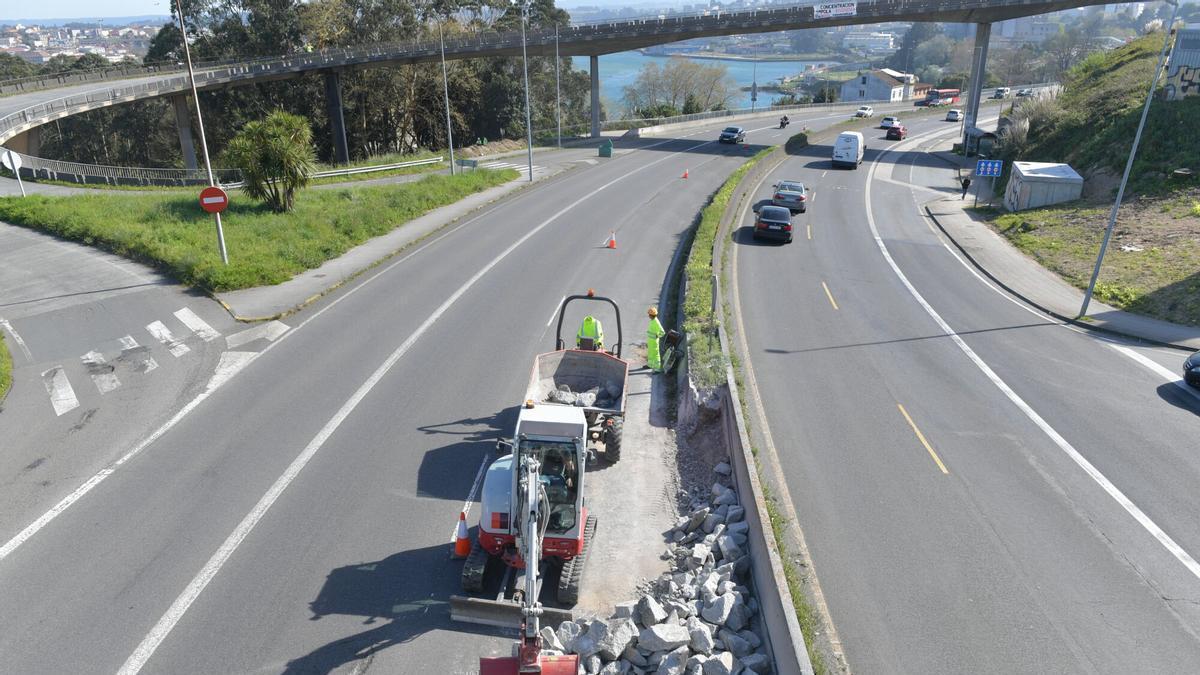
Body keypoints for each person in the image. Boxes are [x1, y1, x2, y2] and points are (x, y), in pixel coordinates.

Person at [646, 306, 665, 372]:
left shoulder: (656, 322)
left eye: (649, 314)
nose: (648, 315)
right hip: (651, 341)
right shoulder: (652, 320)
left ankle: (657, 369)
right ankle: (650, 365)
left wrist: (657, 336)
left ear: (651, 315)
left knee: (656, 355)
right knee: (650, 353)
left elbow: (662, 332)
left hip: (654, 342)